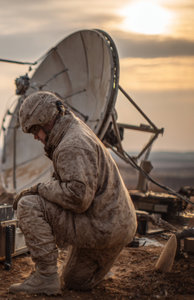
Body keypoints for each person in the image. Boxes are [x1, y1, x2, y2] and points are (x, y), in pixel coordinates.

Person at [9, 91, 137, 295]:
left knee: (29, 204)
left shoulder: (71, 145)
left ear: (46, 121)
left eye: (36, 130)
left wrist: (39, 189)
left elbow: (78, 198)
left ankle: (45, 277)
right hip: (115, 225)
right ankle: (97, 262)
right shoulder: (74, 130)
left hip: (101, 225)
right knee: (75, 282)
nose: (35, 137)